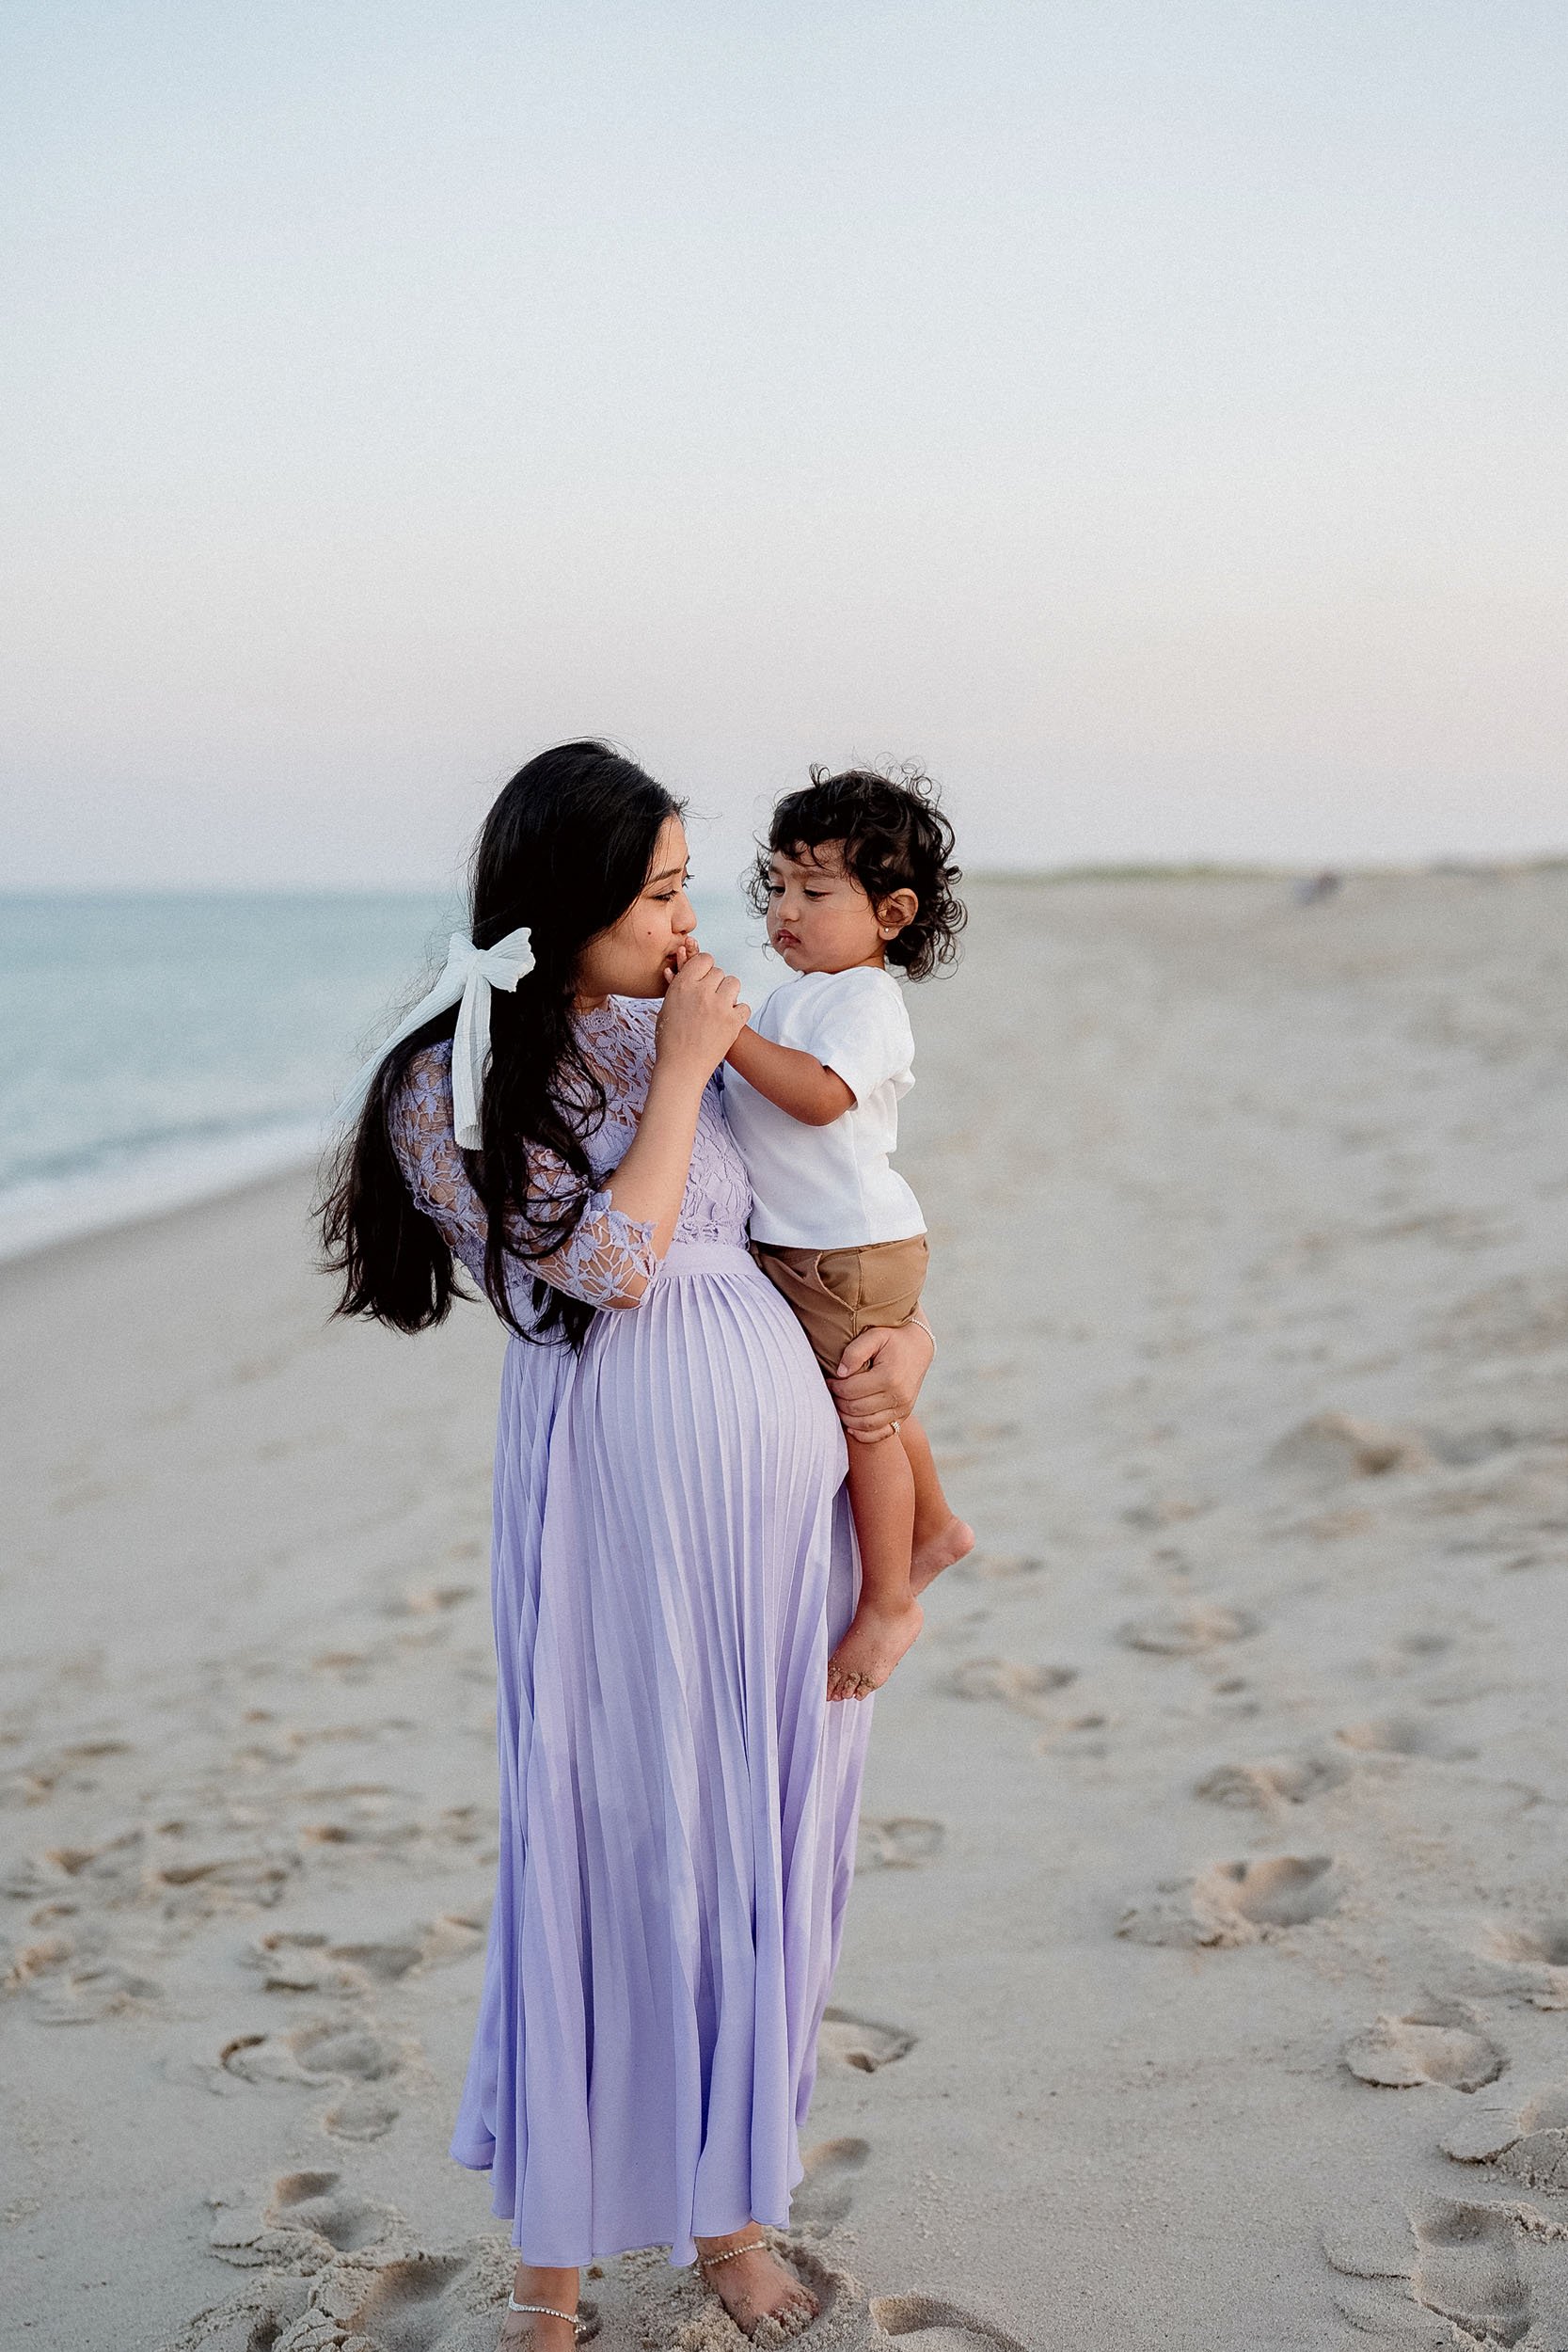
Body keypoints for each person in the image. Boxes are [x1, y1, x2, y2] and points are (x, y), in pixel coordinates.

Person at [319, 742, 935, 2348]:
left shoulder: (716, 1028)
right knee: (608, 1839)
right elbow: (606, 1265)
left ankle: (730, 2222)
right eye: (659, 893)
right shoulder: (441, 1085)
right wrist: (679, 1071)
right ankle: (551, 2277)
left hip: (774, 1487)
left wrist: (909, 1351)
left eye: (686, 889)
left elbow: (828, 1226)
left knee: (748, 1846)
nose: (687, 924)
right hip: (612, 1490)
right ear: (572, 901)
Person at [721, 768, 973, 1702]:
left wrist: (724, 1037)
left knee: (863, 1417)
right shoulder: (801, 993)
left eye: (815, 891)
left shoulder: (862, 1002)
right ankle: (938, 1525)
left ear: (891, 912)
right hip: (817, 1245)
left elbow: (820, 1098)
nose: (786, 909)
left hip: (848, 1247)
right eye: (776, 885)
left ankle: (887, 1599)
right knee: (875, 1400)